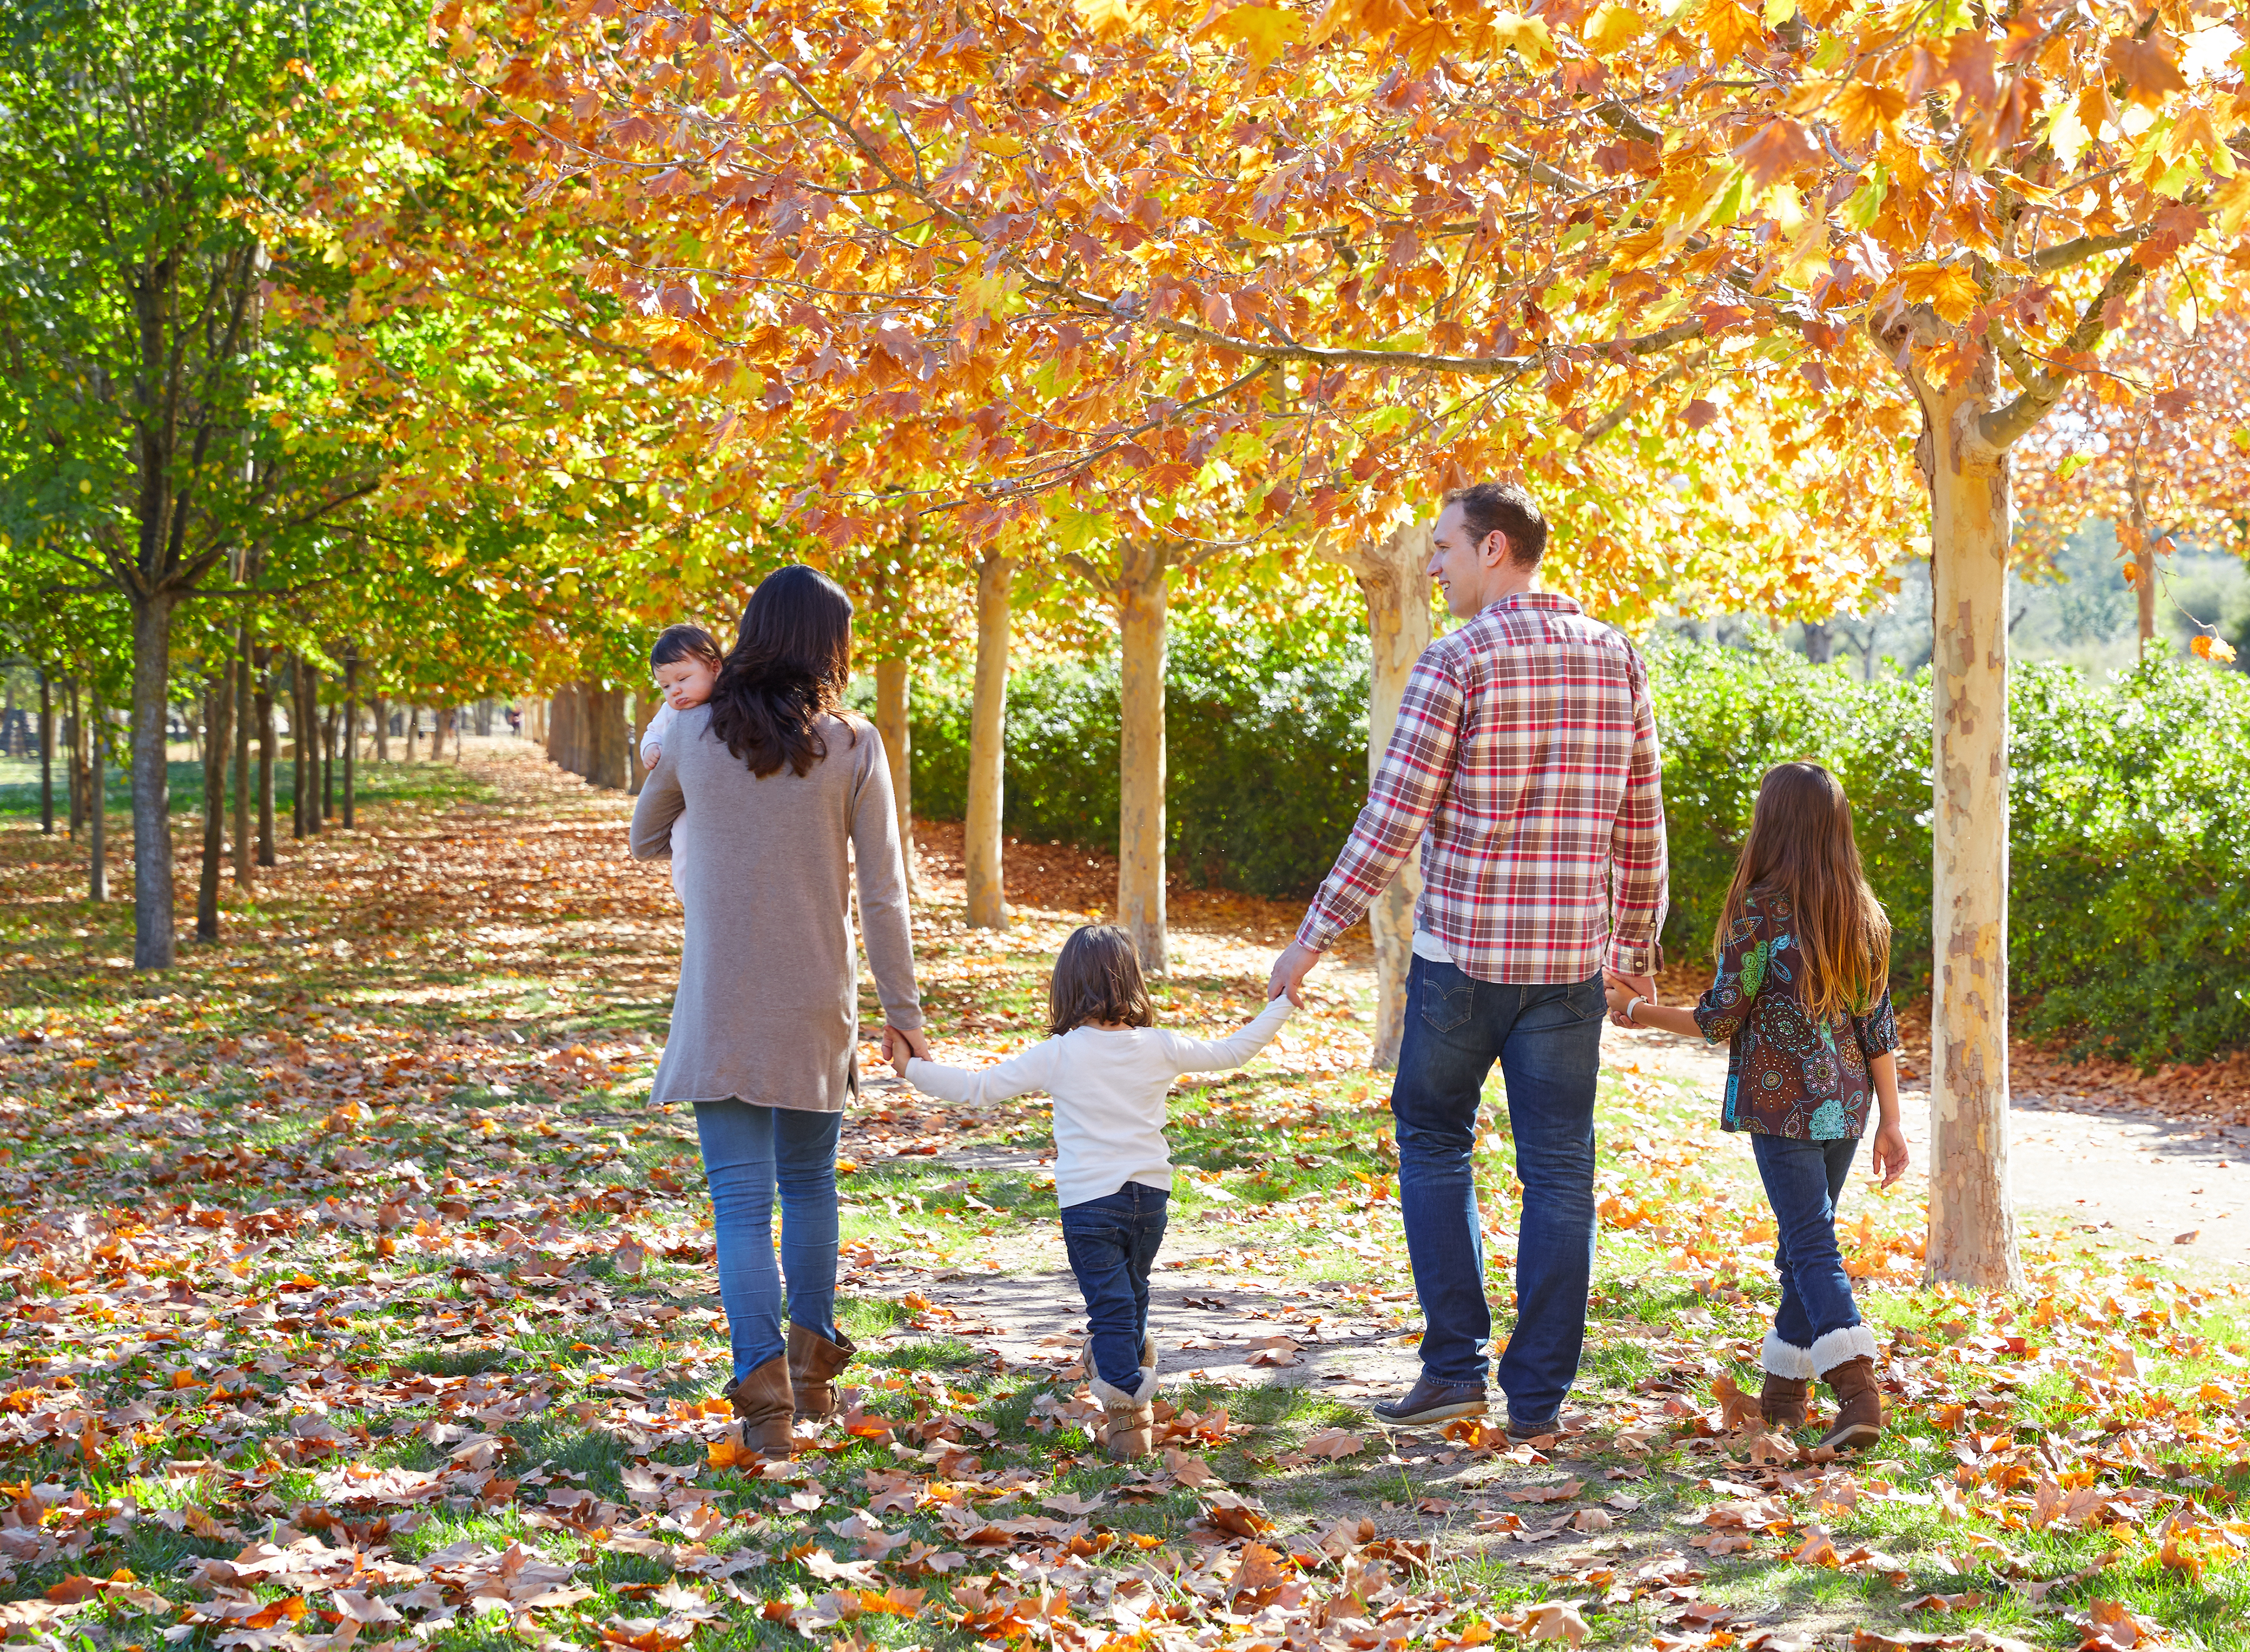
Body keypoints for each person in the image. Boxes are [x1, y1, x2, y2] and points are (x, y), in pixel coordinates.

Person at [1267, 480, 1665, 1440]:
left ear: (1496, 549)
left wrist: (1314, 934)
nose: (1432, 564)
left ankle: (1452, 1370)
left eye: (1443, 547)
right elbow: (1641, 822)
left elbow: (1391, 818)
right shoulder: (1616, 659)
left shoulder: (1456, 662)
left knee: (1435, 1143)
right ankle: (1537, 1400)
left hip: (1460, 963)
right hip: (1566, 968)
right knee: (1561, 1171)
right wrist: (1633, 951)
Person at [630, 566, 925, 1459]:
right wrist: (902, 1010)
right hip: (815, 1004)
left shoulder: (693, 731)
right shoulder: (854, 742)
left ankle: (766, 1416)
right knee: (809, 1190)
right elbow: (885, 896)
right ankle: (813, 1383)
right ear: (824, 648)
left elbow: (645, 836)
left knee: (740, 1201)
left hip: (720, 1003)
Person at [897, 926, 1292, 1457]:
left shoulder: (1060, 1053)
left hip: (1089, 1203)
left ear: (1065, 987)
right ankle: (1128, 1389)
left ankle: (1127, 1418)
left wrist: (910, 1067)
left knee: (1111, 1307)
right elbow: (1234, 1051)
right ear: (1132, 980)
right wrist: (1281, 1005)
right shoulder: (1160, 1044)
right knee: (1131, 1296)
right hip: (1149, 1197)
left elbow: (977, 1088)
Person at [1605, 761, 1906, 1450]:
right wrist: (1890, 1120)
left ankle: (1858, 1393)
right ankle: (1782, 1397)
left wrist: (1636, 1009)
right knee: (1802, 1246)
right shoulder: (1861, 911)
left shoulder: (1759, 910)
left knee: (1809, 1244)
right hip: (1847, 1107)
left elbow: (1719, 1019)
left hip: (1783, 1109)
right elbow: (1878, 1027)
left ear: (1771, 824)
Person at [638, 624, 724, 903]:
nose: (675, 691)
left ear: (715, 667)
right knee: (684, 840)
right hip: (685, 800)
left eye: (683, 679)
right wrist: (651, 748)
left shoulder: (732, 703)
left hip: (720, 798)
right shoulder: (670, 713)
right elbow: (653, 732)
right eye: (666, 686)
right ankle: (690, 897)